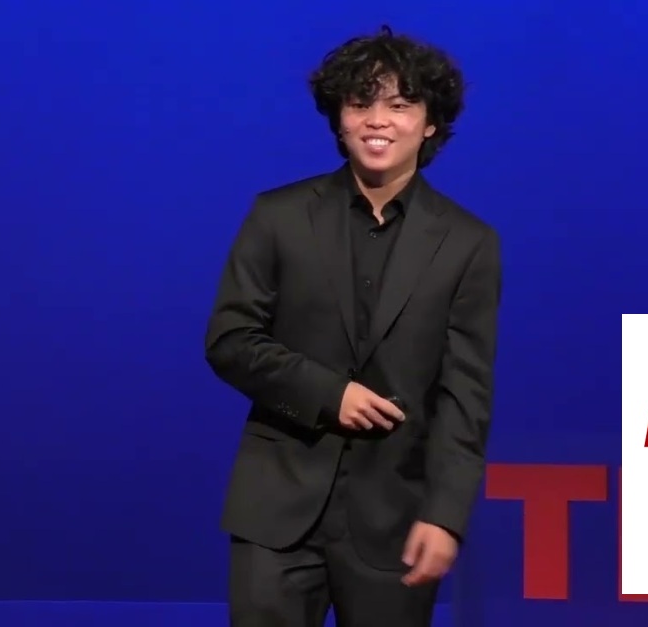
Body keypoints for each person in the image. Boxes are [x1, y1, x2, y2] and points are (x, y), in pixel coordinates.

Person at [205, 25, 501, 627]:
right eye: (361, 103)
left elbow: (464, 397)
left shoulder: (469, 243)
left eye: (400, 104)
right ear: (339, 119)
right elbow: (230, 339)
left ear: (430, 123)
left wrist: (445, 516)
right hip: (277, 512)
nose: (377, 120)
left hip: (395, 518)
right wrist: (328, 393)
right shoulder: (279, 215)